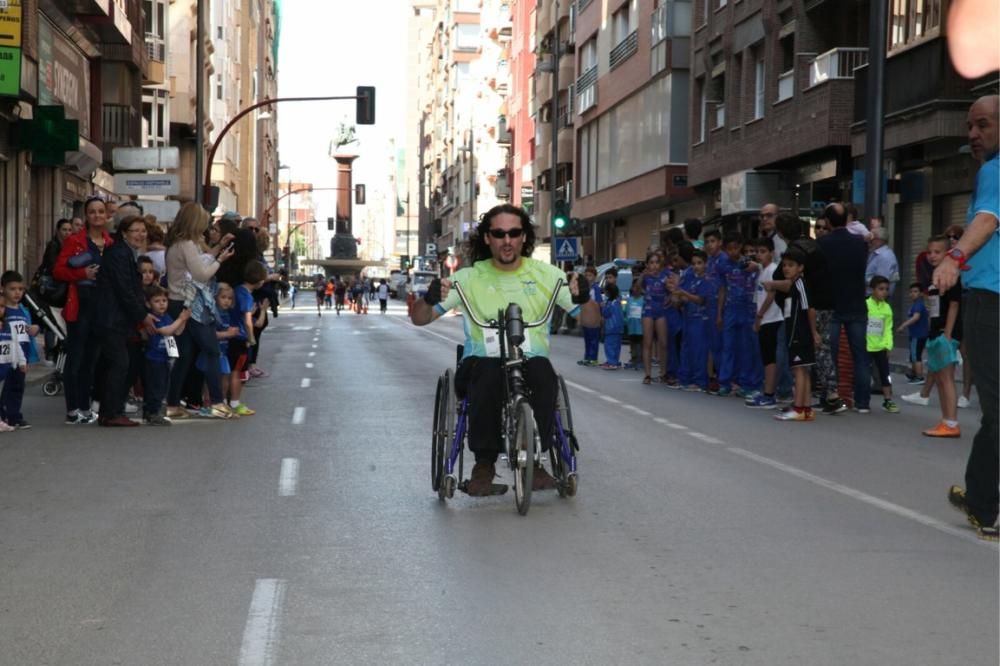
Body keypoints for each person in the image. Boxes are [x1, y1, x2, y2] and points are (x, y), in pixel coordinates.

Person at [410, 203, 586, 497]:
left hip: (531, 360)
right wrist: (427, 299)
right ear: (487, 238)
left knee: (544, 376)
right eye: (499, 233)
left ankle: (536, 457)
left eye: (514, 233)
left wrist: (586, 298)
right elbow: (420, 319)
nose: (507, 240)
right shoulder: (466, 279)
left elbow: (590, 320)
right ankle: (483, 464)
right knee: (489, 374)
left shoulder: (549, 276)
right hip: (482, 361)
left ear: (524, 237)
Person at [939, 94, 998, 541]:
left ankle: (979, 498)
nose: (974, 134)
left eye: (983, 125)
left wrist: (954, 257)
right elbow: (986, 220)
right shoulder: (992, 171)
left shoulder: (993, 170)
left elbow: (986, 219)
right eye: (969, 126)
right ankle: (979, 498)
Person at [164, 202, 236, 420]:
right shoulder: (186, 244)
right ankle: (216, 402)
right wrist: (220, 261)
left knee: (184, 356)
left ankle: (173, 404)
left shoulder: (176, 244)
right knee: (212, 351)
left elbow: (198, 263)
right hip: (191, 304)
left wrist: (215, 253)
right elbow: (201, 274)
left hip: (176, 301)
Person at [54, 196, 114, 425]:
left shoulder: (110, 242)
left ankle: (86, 408)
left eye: (101, 211)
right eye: (92, 212)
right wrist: (82, 274)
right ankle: (72, 409)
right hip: (79, 307)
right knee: (76, 359)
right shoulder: (75, 240)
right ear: (86, 216)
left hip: (102, 308)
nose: (97, 216)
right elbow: (59, 270)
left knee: (92, 360)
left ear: (106, 215)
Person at [95, 215, 159, 427]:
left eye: (143, 231)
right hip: (112, 318)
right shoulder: (120, 254)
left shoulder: (126, 253)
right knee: (119, 364)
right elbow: (125, 290)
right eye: (136, 231)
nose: (141, 235)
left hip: (117, 318)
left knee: (118, 364)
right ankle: (112, 412)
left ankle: (109, 411)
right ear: (124, 233)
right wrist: (142, 316)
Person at [817, 202, 871, 413]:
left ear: (828, 222)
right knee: (860, 355)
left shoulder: (823, 244)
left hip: (832, 303)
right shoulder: (860, 243)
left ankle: (831, 396)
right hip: (857, 302)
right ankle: (863, 402)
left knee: (830, 354)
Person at [919, 235, 964, 438]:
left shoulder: (950, 276)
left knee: (946, 378)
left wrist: (947, 334)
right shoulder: (934, 278)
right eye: (930, 252)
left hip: (946, 334)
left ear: (947, 253)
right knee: (939, 377)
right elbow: (933, 308)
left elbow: (954, 305)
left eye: (937, 252)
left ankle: (951, 422)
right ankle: (946, 419)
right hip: (935, 332)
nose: (932, 256)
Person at [774, 248, 819, 422]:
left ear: (800, 267)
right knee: (803, 370)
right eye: (784, 265)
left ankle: (798, 408)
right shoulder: (793, 285)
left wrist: (813, 332)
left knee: (799, 370)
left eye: (791, 265)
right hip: (795, 332)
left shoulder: (800, 285)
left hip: (800, 333)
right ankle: (807, 409)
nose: (786, 269)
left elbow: (810, 309)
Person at [716, 234, 762, 398]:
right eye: (729, 249)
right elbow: (722, 289)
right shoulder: (722, 265)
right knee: (728, 347)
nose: (732, 252)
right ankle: (725, 382)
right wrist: (719, 314)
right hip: (730, 309)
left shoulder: (750, 264)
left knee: (746, 347)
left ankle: (746, 383)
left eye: (736, 248)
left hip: (749, 309)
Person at [143, 285, 190, 425]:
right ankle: (152, 412)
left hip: (164, 358)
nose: (162, 303)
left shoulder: (167, 316)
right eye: (157, 301)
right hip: (154, 358)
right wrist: (180, 319)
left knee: (163, 385)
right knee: (156, 386)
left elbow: (177, 332)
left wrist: (184, 320)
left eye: (164, 300)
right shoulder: (154, 319)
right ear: (148, 303)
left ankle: (154, 411)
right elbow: (167, 331)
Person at [0, 271, 39, 428]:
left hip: (21, 356)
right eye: (12, 289)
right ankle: (4, 416)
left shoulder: (23, 310)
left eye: (20, 289)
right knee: (5, 387)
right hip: (5, 357)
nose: (17, 293)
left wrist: (34, 329)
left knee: (17, 387)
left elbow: (27, 332)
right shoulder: (3, 311)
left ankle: (14, 416)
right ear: (3, 289)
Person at [673, 250, 715, 392]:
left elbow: (700, 300)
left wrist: (683, 294)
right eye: (694, 263)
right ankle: (685, 378)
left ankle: (699, 381)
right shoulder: (691, 279)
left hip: (701, 320)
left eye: (699, 263)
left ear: (706, 264)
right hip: (688, 319)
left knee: (699, 351)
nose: (696, 266)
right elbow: (686, 298)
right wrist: (679, 298)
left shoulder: (707, 281)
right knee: (686, 349)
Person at [748, 238, 783, 409]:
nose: (759, 255)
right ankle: (768, 391)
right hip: (766, 319)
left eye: (763, 251)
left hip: (772, 319)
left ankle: (770, 394)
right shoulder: (763, 270)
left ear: (771, 252)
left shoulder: (772, 270)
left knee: (770, 358)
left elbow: (771, 296)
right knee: (766, 357)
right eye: (758, 251)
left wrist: (759, 316)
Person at [866, 276, 899, 413]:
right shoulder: (866, 305)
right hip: (866, 346)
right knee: (863, 374)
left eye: (886, 289)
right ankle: (861, 399)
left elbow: (888, 329)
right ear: (872, 290)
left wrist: (888, 346)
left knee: (885, 374)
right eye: (880, 289)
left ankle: (888, 400)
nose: (884, 292)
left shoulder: (887, 308)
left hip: (880, 347)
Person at [640, 251, 671, 384]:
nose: (654, 265)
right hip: (648, 311)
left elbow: (673, 290)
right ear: (647, 264)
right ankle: (647, 374)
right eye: (651, 262)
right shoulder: (645, 277)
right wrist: (643, 276)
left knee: (663, 343)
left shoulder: (665, 276)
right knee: (648, 343)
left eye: (657, 262)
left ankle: (663, 373)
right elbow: (636, 289)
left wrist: (670, 298)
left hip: (661, 312)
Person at [0, 295, 26, 433]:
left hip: (5, 367)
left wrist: (21, 361)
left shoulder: (8, 326)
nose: (0, 309)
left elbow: (15, 345)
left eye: (2, 307)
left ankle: (2, 420)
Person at [897, 283, 929, 384]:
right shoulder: (915, 305)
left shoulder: (918, 305)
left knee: (916, 356)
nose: (912, 294)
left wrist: (903, 326)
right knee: (913, 355)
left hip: (918, 335)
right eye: (911, 292)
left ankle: (919, 377)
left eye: (915, 291)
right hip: (916, 334)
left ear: (921, 294)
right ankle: (914, 374)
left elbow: (916, 318)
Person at [577, 265, 601, 367]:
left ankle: (593, 359)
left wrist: (600, 317)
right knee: (587, 339)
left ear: (595, 277)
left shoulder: (596, 289)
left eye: (590, 275)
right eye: (586, 275)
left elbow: (599, 303)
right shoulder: (584, 289)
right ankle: (587, 357)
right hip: (586, 317)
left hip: (594, 317)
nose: (588, 278)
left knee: (594, 339)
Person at [865, 227, 900, 296]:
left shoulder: (885, 256)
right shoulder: (876, 254)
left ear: (879, 240)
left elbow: (881, 282)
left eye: (872, 238)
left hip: (877, 299)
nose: (870, 241)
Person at [600, 284, 624, 370]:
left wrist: (602, 307)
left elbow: (606, 313)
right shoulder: (618, 300)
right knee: (617, 346)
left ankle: (611, 362)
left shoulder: (610, 303)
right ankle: (615, 361)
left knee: (609, 345)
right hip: (619, 327)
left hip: (611, 327)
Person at [623, 278, 643, 370]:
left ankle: (640, 361)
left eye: (638, 287)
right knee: (633, 344)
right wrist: (626, 321)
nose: (635, 289)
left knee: (640, 344)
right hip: (631, 327)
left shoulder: (643, 300)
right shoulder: (629, 300)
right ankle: (633, 359)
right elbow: (626, 313)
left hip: (640, 328)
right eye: (634, 287)